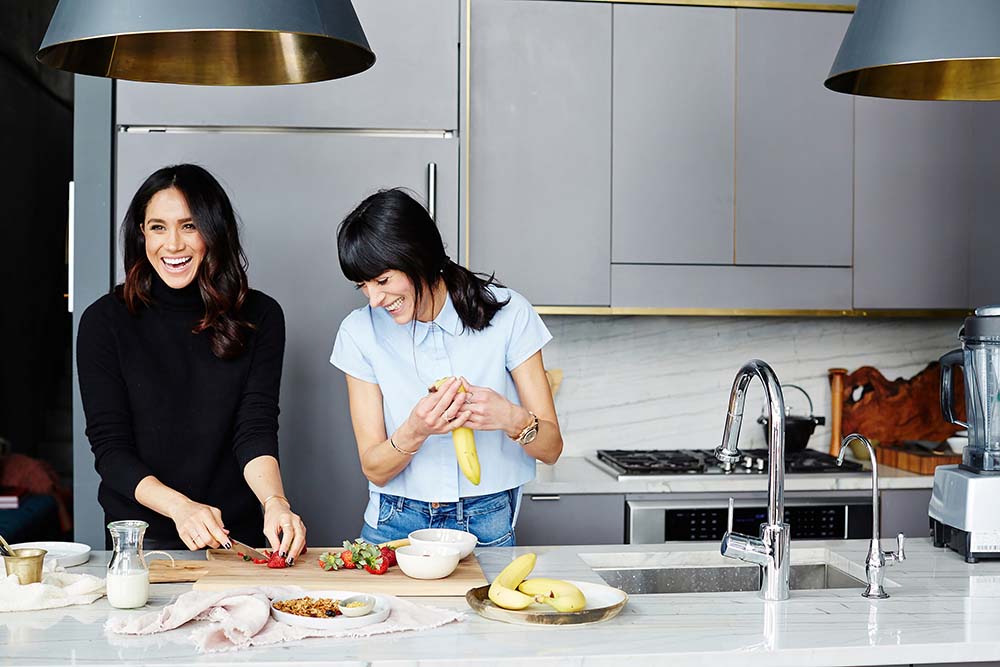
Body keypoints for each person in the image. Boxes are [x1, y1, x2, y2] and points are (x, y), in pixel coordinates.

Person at [77, 164, 306, 561]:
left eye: (189, 226)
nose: (173, 245)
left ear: (214, 232)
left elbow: (254, 428)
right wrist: (180, 507)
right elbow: (111, 450)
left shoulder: (261, 316)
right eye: (158, 227)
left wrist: (275, 502)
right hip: (140, 542)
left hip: (233, 537)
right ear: (141, 234)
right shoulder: (104, 321)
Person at [330, 188, 563, 546]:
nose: (374, 299)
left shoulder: (510, 314)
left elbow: (551, 449)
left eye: (383, 280)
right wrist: (415, 430)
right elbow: (374, 469)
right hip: (394, 519)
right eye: (363, 285)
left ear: (418, 256)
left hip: (487, 517)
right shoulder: (358, 332)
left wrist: (510, 417)